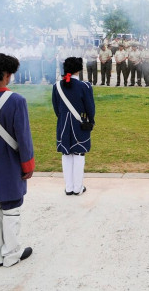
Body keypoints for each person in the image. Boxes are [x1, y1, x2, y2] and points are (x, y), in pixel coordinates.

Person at [0, 53, 35, 267]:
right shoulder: (16, 101)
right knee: (11, 209)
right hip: (9, 164)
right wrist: (28, 165)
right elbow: (23, 138)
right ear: (6, 75)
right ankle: (12, 254)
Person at [52, 57, 95, 196]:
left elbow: (56, 109)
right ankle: (78, 187)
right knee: (78, 154)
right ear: (79, 69)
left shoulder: (56, 86)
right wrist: (91, 121)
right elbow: (90, 108)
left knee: (66, 154)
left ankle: (69, 187)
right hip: (79, 123)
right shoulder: (85, 86)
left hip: (63, 123)